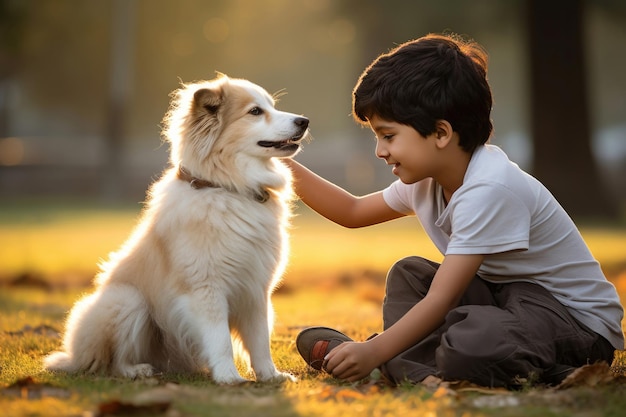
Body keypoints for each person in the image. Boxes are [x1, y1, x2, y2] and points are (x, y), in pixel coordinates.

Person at [287, 33, 624, 388]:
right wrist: (275, 165)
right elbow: (352, 211)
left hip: (573, 324)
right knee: (410, 274)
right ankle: (416, 365)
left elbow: (442, 298)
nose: (379, 151)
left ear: (441, 132)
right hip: (503, 301)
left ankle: (387, 361)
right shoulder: (426, 180)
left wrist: (375, 350)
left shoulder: (489, 187)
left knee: (476, 344)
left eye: (388, 136)